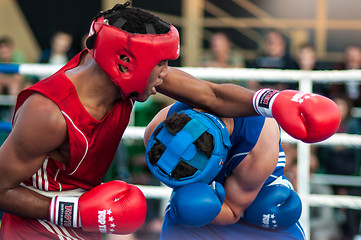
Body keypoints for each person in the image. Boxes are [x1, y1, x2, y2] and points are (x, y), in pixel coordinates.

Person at [0, 2, 340, 239]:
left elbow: (211, 95)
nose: (166, 73)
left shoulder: (122, 77)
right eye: (160, 64)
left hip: (82, 215)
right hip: (36, 224)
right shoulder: (48, 112)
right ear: (125, 63)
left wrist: (272, 101)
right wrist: (74, 212)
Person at [144, 101, 305, 240]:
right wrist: (187, 206)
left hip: (251, 212)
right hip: (195, 206)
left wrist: (192, 207)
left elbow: (233, 210)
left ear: (220, 160)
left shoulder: (256, 146)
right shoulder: (160, 128)